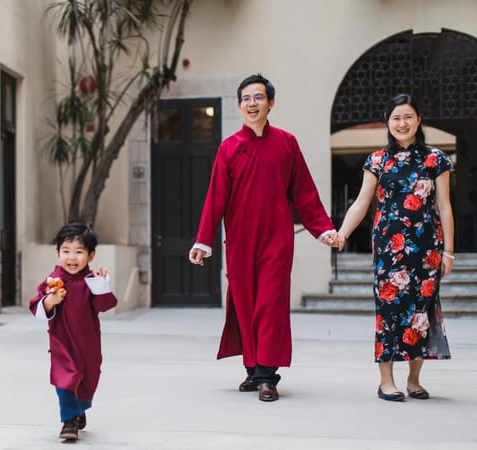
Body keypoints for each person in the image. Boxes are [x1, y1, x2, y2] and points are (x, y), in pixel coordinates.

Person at [188, 73, 338, 402]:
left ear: (270, 103)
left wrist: (323, 228)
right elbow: (215, 198)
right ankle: (252, 368)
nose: (252, 103)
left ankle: (267, 376)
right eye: (246, 98)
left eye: (259, 98)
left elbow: (304, 192)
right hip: (239, 241)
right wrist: (203, 241)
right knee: (245, 305)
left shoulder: (287, 143)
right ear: (240, 106)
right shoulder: (229, 148)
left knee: (270, 305)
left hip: (277, 239)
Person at [334, 93, 454, 401]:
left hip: (428, 250)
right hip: (389, 250)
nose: (402, 123)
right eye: (396, 118)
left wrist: (448, 251)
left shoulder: (436, 159)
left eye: (408, 117)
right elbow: (361, 202)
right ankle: (386, 381)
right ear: (388, 123)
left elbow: (444, 206)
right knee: (388, 311)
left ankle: (414, 379)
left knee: (420, 313)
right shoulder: (376, 160)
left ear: (418, 121)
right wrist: (342, 233)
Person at [29, 223, 118, 440]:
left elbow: (105, 305)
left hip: (88, 344)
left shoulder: (91, 282)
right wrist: (51, 300)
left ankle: (79, 409)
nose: (72, 257)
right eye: (66, 251)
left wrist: (101, 285)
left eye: (79, 252)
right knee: (65, 377)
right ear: (58, 253)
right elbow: (37, 307)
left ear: (90, 255)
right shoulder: (53, 282)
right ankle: (69, 421)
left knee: (88, 378)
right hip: (62, 342)